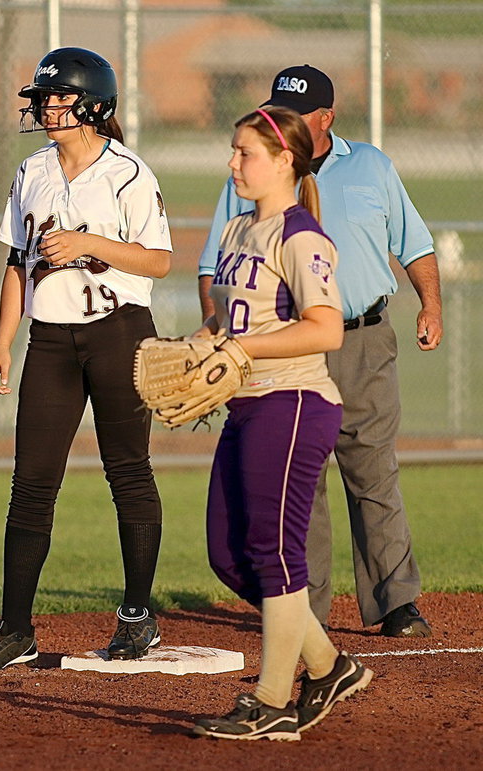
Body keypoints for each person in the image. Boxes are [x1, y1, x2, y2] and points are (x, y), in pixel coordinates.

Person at [198, 65, 442, 637]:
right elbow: (215, 265)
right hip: (281, 347)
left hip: (362, 339)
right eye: (275, 108)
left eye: (296, 112)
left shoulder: (371, 166)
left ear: (325, 119)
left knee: (372, 471)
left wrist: (429, 305)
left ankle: (395, 601)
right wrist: (218, 333)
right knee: (300, 483)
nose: (280, 122)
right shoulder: (255, 171)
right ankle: (303, 609)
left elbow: (415, 243)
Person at [0, 47, 172, 672]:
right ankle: (17, 627)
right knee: (30, 483)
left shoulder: (129, 172)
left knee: (128, 472)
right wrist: (5, 341)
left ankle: (138, 614)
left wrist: (89, 243)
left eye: (60, 98)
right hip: (51, 338)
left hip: (119, 331)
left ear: (94, 104)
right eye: (44, 98)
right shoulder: (32, 171)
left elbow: (159, 260)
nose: (47, 107)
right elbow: (14, 264)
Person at [191, 106, 372, 741]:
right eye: (234, 150)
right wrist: (199, 345)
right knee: (227, 553)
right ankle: (327, 665)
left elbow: (324, 327)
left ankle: (272, 703)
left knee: (274, 553)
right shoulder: (239, 229)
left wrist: (242, 351)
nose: (233, 163)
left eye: (246, 153)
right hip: (249, 403)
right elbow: (236, 322)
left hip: (294, 404)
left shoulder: (302, 237)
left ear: (285, 160)